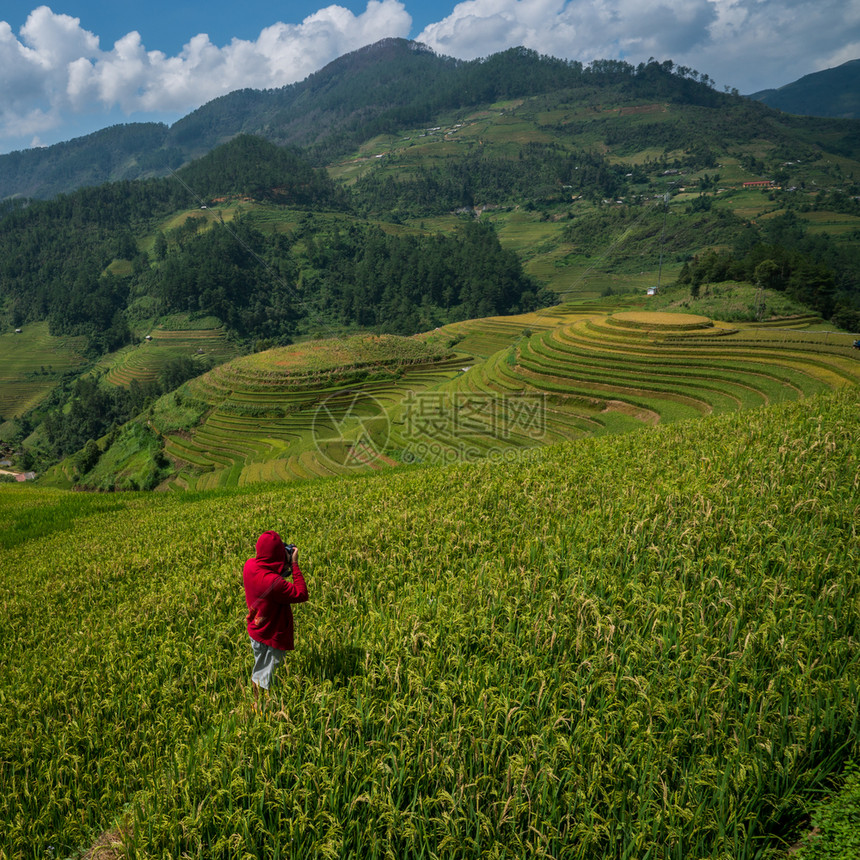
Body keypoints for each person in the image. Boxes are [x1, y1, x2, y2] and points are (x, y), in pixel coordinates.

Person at [243, 530, 309, 708]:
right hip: (271, 636)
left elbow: (266, 574)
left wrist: (280, 565)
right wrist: (293, 564)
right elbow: (302, 594)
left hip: (256, 630)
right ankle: (261, 709)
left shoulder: (249, 566)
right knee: (265, 677)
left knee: (260, 669)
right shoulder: (274, 583)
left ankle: (260, 702)